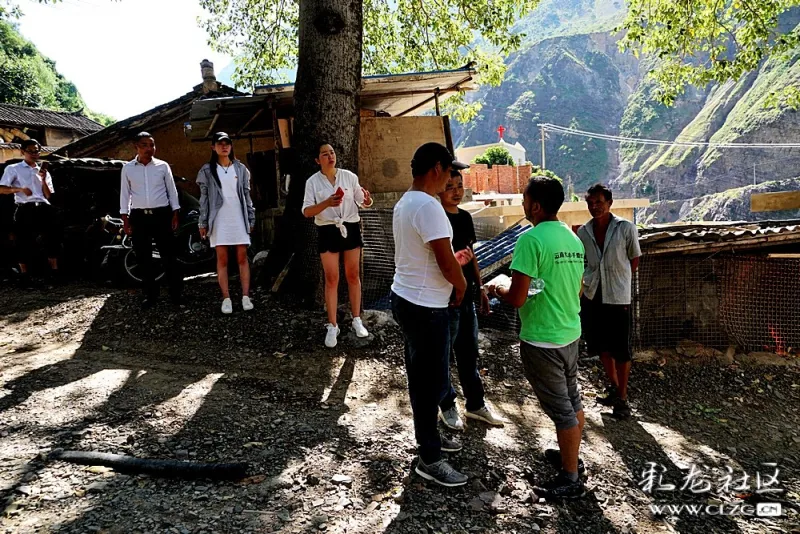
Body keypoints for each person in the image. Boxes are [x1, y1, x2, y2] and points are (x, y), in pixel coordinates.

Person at [486, 176, 586, 499]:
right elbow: (574, 287)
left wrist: (497, 288)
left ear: (537, 206)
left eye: (525, 200)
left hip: (543, 341)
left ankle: (570, 479)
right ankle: (572, 458)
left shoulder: (530, 240)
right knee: (572, 400)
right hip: (570, 334)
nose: (523, 205)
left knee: (562, 410)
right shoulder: (573, 239)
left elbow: (516, 297)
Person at [391, 142, 470, 487]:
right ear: (437, 168)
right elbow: (444, 258)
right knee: (429, 382)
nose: (451, 178)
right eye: (450, 171)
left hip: (408, 298)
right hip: (426, 307)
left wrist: (454, 270)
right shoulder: (429, 206)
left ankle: (430, 441)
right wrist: (461, 284)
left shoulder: (405, 202)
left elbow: (430, 255)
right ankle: (430, 457)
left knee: (422, 376)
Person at [436, 170, 505, 430]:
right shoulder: (436, 217)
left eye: (460, 186)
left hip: (467, 297)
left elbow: (471, 254)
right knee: (443, 356)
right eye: (450, 186)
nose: (456, 191)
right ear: (438, 190)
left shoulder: (464, 217)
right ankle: (446, 406)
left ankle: (475, 404)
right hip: (446, 297)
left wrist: (481, 289)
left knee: (469, 354)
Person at [577, 183, 641, 419]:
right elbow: (581, 261)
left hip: (618, 296)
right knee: (601, 346)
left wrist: (619, 278)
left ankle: (623, 399)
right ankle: (614, 388)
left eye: (599, 203)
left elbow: (634, 259)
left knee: (621, 350)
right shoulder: (583, 232)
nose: (595, 207)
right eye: (591, 203)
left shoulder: (626, 228)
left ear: (610, 203)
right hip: (593, 295)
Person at [302, 143, 373, 348]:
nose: (330, 156)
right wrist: (326, 203)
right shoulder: (312, 182)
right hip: (327, 230)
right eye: (324, 154)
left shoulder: (349, 177)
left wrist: (368, 200)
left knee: (353, 274)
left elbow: (363, 201)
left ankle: (357, 319)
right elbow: (306, 211)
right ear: (318, 160)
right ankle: (332, 324)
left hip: (350, 226)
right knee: (332, 278)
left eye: (332, 152)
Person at [120, 132, 183, 308]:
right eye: (145, 145)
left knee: (169, 257)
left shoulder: (162, 166)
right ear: (136, 147)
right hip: (139, 217)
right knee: (144, 258)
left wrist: (175, 213)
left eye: (152, 145)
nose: (149, 148)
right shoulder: (128, 168)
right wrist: (125, 219)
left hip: (162, 215)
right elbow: (125, 195)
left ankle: (176, 296)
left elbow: (172, 191)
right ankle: (150, 296)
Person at [197, 132, 256, 314]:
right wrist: (202, 222)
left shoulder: (240, 169)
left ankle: (246, 296)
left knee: (242, 257)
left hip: (238, 216)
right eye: (220, 143)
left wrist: (251, 217)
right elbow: (204, 198)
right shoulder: (207, 170)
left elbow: (246, 195)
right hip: (219, 218)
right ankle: (226, 298)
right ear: (213, 147)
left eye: (227, 143)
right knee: (222, 258)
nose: (224, 146)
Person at [0, 139, 60, 284]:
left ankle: (54, 273)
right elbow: (2, 189)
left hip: (43, 207)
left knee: (52, 238)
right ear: (23, 152)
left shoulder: (42, 171)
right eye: (31, 151)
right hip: (25, 207)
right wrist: (19, 189)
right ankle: (25, 275)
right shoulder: (13, 168)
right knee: (24, 240)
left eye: (37, 151)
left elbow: (48, 195)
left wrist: (44, 179)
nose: (35, 154)